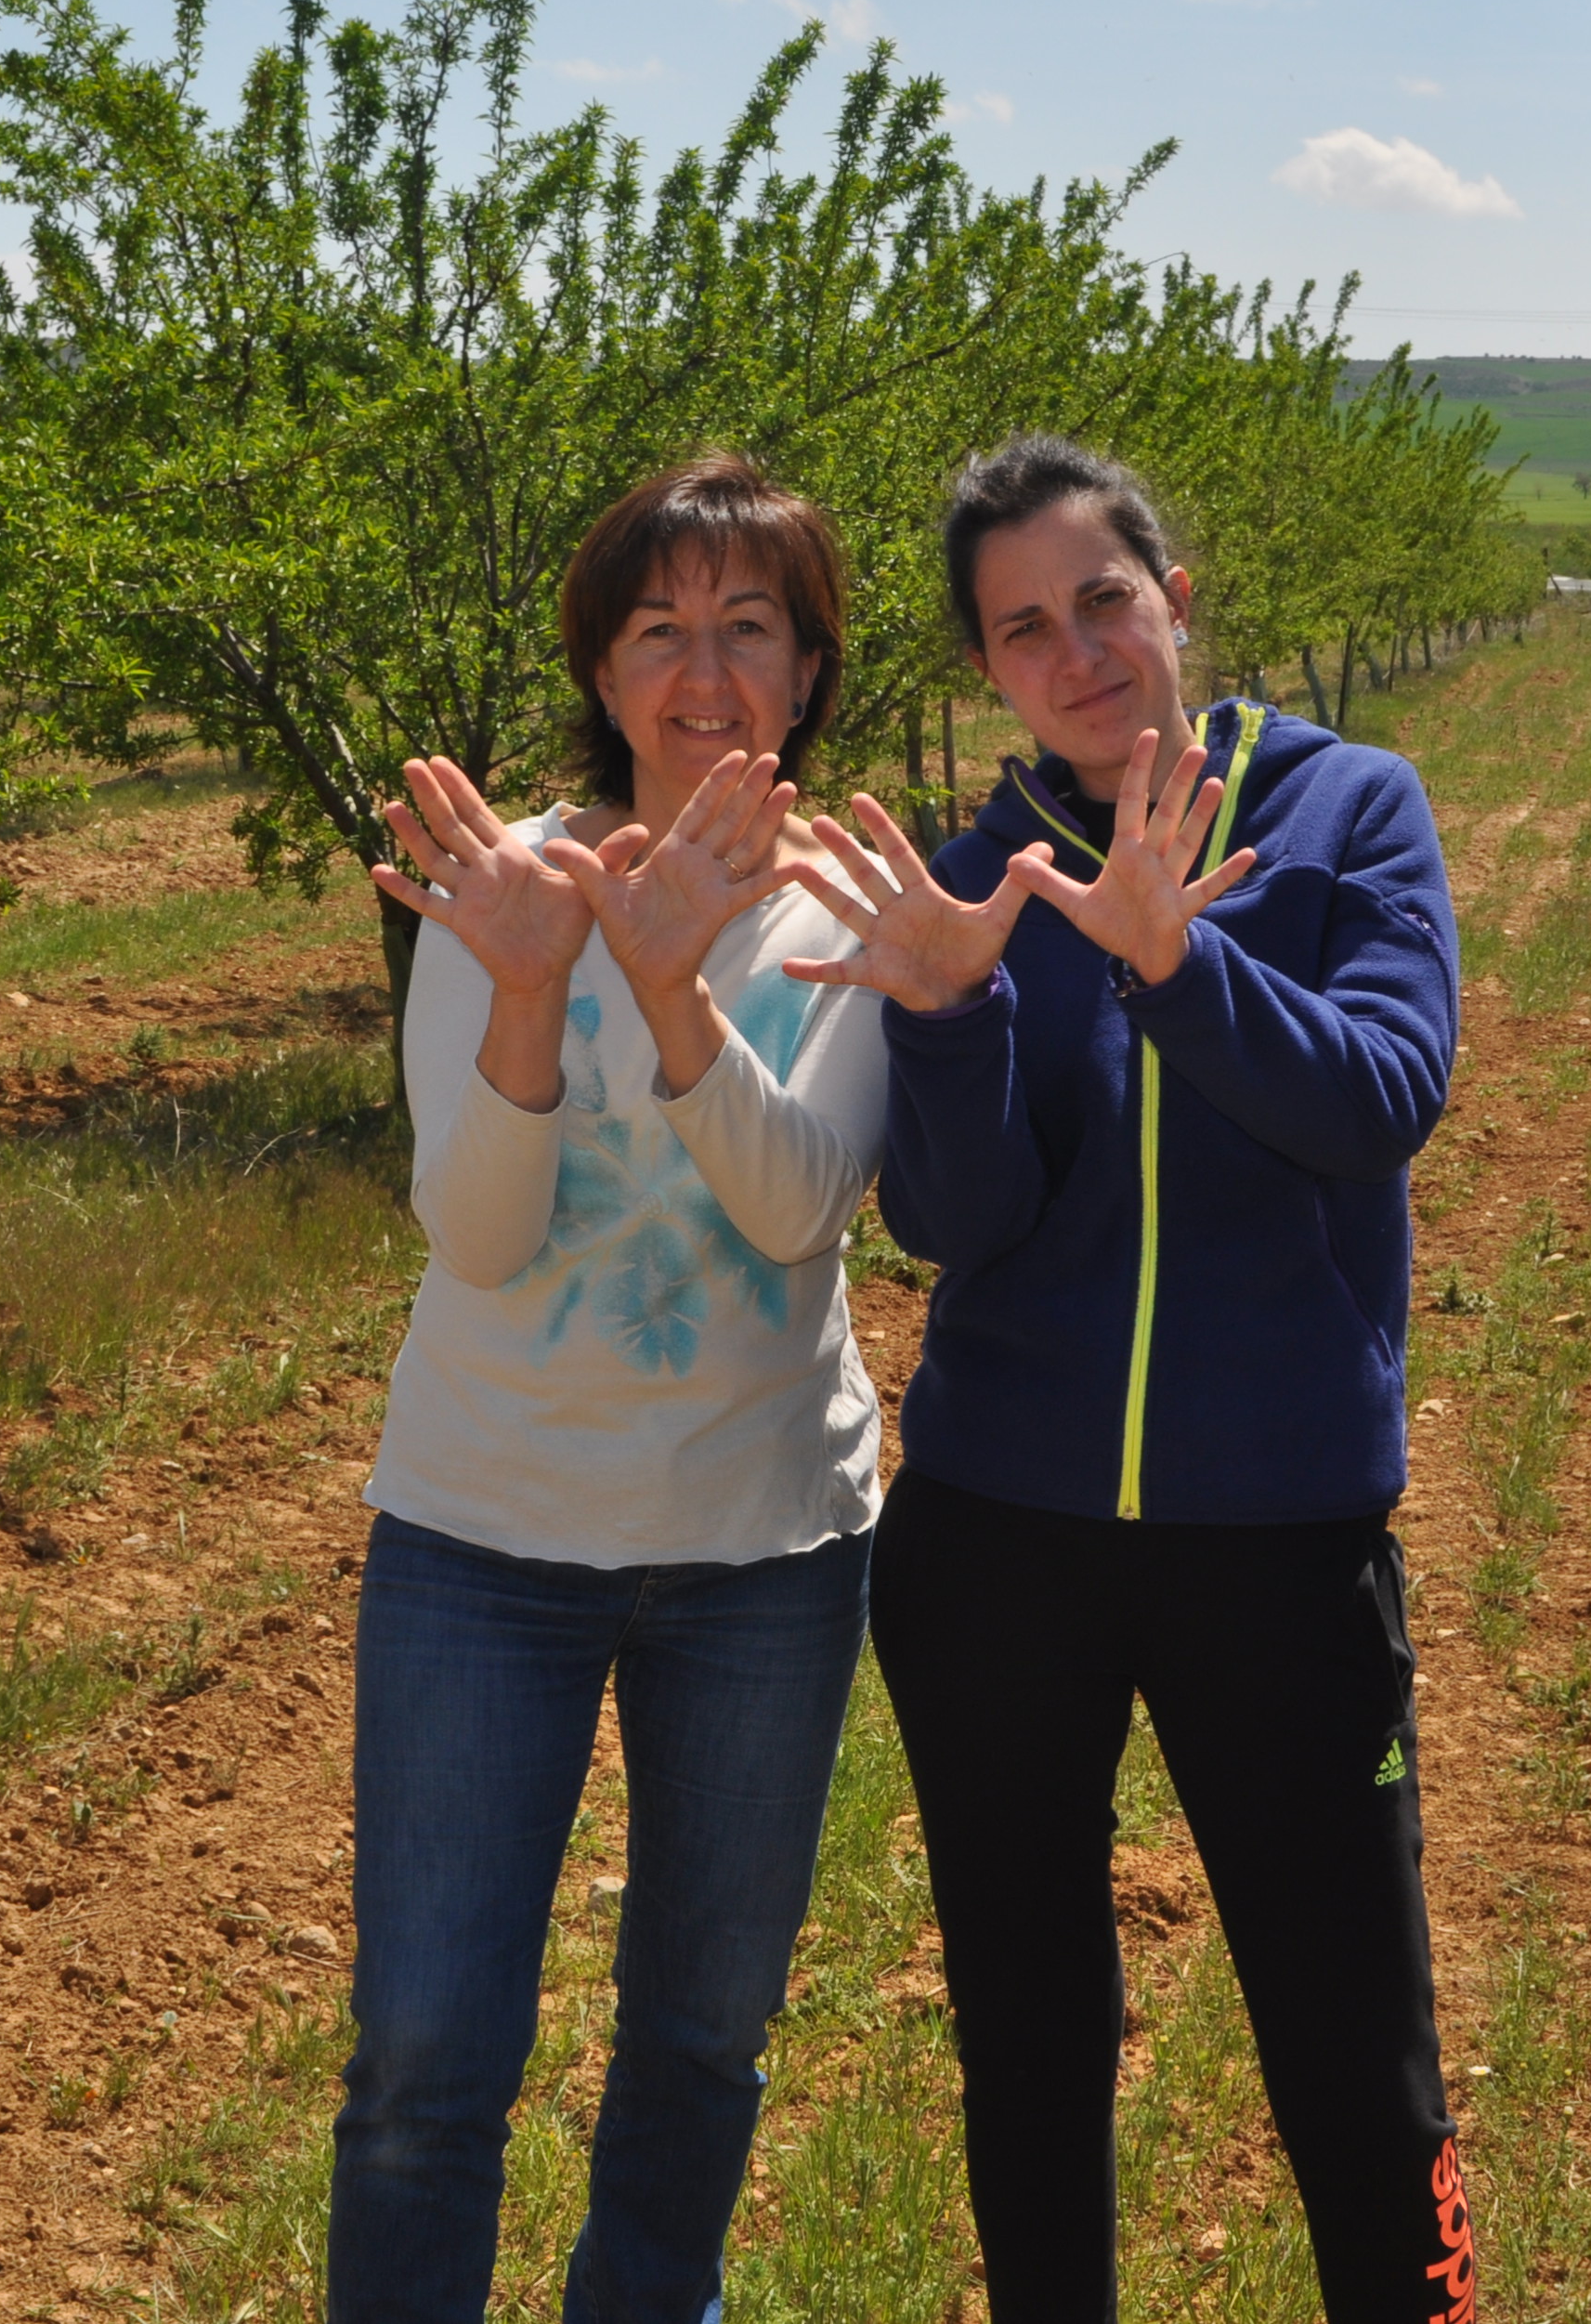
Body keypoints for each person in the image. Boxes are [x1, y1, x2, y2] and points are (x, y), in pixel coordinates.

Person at [787, 434, 1474, 2322]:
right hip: (1001, 1545)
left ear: (1171, 599)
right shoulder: (971, 877)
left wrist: (1182, 964)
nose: (1072, 650)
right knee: (1026, 2036)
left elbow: (1376, 1097)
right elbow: (956, 1218)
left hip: (1280, 1541)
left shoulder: (1343, 809)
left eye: (1099, 598)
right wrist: (942, 1013)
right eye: (1021, 628)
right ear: (989, 671)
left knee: (1355, 2049)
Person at [332, 455, 886, 2324]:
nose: (704, 671)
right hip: (481, 1535)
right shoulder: (507, 886)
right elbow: (474, 1240)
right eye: (661, 628)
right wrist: (520, 985)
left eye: (749, 627)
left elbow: (801, 1201)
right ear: (601, 662)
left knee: (698, 2046)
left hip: (759, 1550)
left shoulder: (848, 906)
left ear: (806, 671)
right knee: (423, 2060)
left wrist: (670, 999)